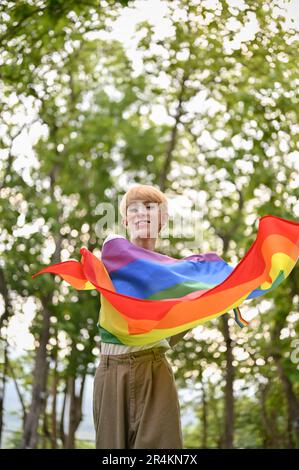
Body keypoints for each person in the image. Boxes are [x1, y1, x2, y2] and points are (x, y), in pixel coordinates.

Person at [93, 184, 187, 449]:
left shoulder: (176, 276)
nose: (141, 213)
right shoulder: (113, 250)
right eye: (133, 209)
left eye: (150, 207)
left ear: (163, 220)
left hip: (155, 370)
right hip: (112, 371)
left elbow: (176, 329)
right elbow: (142, 271)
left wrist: (220, 293)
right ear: (125, 220)